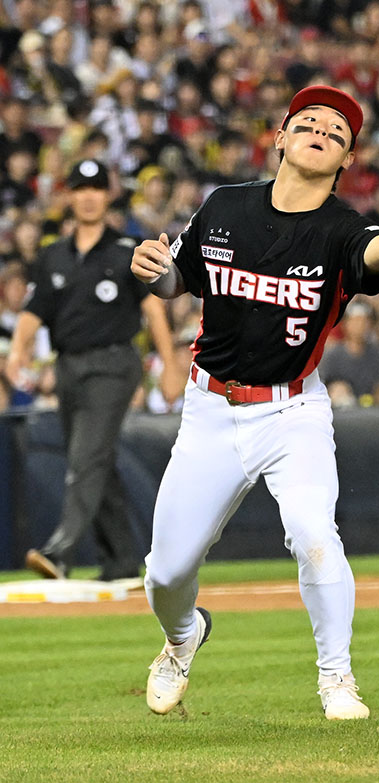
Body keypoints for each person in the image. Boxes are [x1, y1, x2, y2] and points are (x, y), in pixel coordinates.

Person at [129, 86, 379, 721]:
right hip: (209, 409)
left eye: (336, 132)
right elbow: (181, 279)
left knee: (315, 536)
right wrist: (157, 271)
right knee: (166, 574)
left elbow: (378, 252)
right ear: (280, 139)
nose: (319, 132)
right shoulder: (225, 206)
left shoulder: (343, 229)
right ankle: (182, 638)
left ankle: (337, 677)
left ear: (345, 161)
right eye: (306, 122)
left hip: (293, 413)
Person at [5, 159, 183, 581]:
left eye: (96, 188)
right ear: (69, 196)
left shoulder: (127, 251)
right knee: (93, 458)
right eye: (80, 188)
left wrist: (171, 367)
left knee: (86, 456)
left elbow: (154, 312)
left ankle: (61, 549)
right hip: (69, 367)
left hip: (114, 363)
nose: (88, 196)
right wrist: (17, 353)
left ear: (108, 195)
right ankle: (121, 559)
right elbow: (34, 312)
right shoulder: (52, 256)